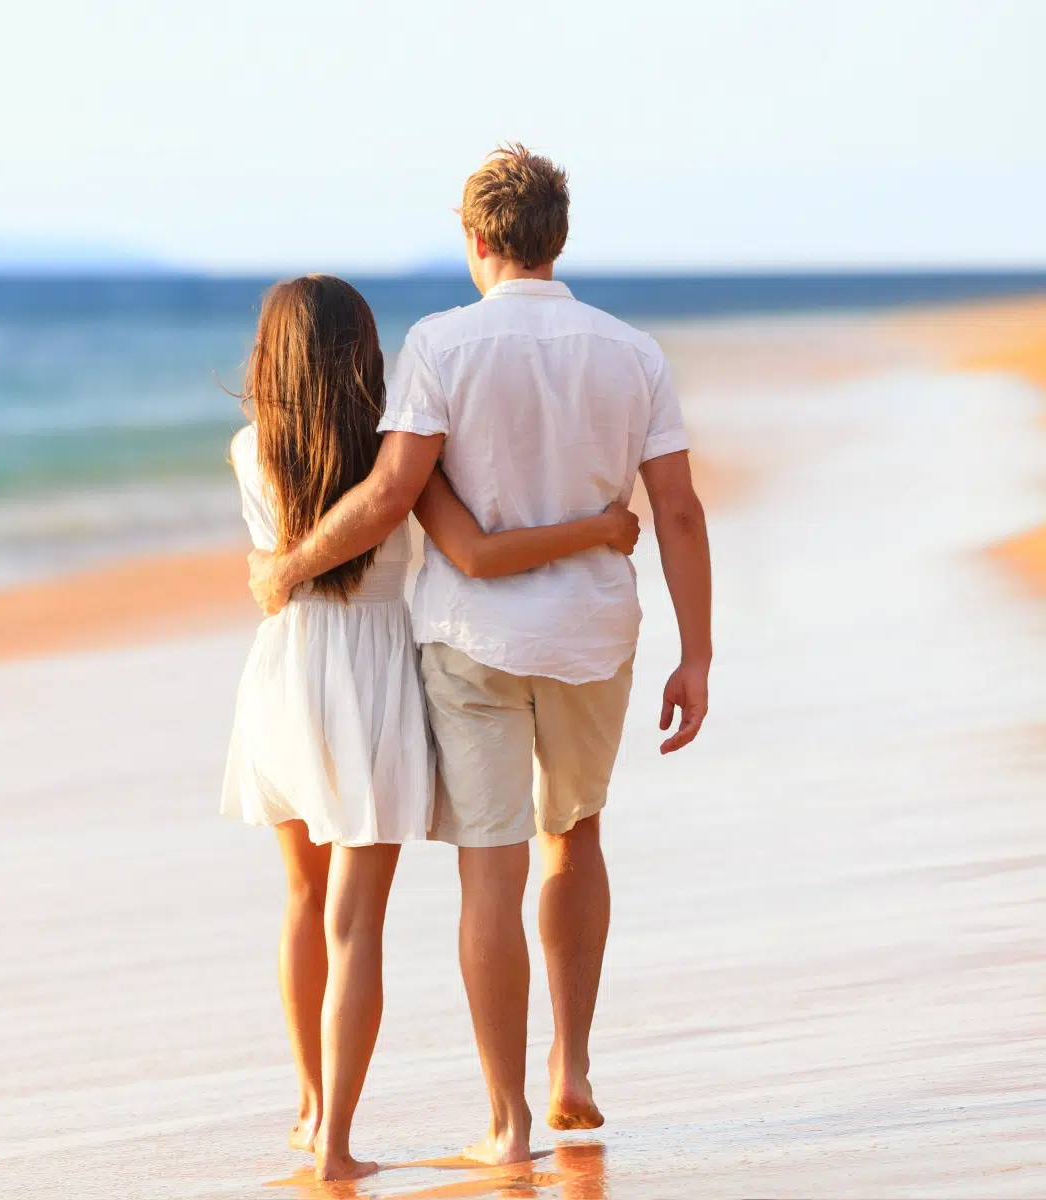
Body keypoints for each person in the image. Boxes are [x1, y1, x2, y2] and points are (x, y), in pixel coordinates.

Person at [248, 145, 714, 1166]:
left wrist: (287, 570)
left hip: (471, 640)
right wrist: (699, 655)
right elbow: (676, 507)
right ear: (558, 237)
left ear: (476, 240)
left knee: (488, 875)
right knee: (577, 833)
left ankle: (506, 1123)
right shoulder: (634, 352)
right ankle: (573, 1068)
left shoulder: (442, 345)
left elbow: (389, 495)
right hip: (594, 636)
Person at [220, 273, 641, 1181]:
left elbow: (271, 562)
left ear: (272, 358)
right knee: (355, 920)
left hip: (285, 675)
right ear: (362, 352)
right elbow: (476, 554)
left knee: (302, 899)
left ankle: (307, 1104)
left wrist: (281, 571)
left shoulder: (249, 447)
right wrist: (603, 526)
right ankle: (336, 1139)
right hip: (371, 680)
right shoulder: (397, 459)